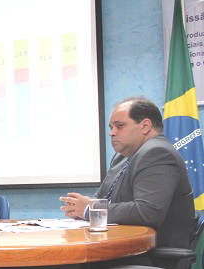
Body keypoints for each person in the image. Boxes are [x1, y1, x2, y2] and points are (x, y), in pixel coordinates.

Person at [60, 96, 197, 249]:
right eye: (111, 127)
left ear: (145, 126)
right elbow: (102, 198)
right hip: (120, 245)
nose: (112, 133)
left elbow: (147, 212)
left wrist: (88, 209)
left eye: (119, 126)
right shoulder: (122, 157)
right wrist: (82, 205)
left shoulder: (158, 153)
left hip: (150, 253)